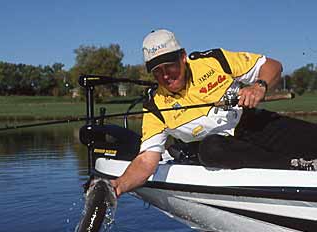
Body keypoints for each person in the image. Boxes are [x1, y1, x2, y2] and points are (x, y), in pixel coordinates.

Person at [111, 29, 317, 197]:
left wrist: (259, 86)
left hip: (252, 123)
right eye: (157, 70)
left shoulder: (213, 60)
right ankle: (296, 167)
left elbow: (272, 66)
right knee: (211, 148)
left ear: (183, 57)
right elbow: (146, 160)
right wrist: (119, 186)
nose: (165, 75)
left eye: (170, 66)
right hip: (218, 150)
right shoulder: (154, 106)